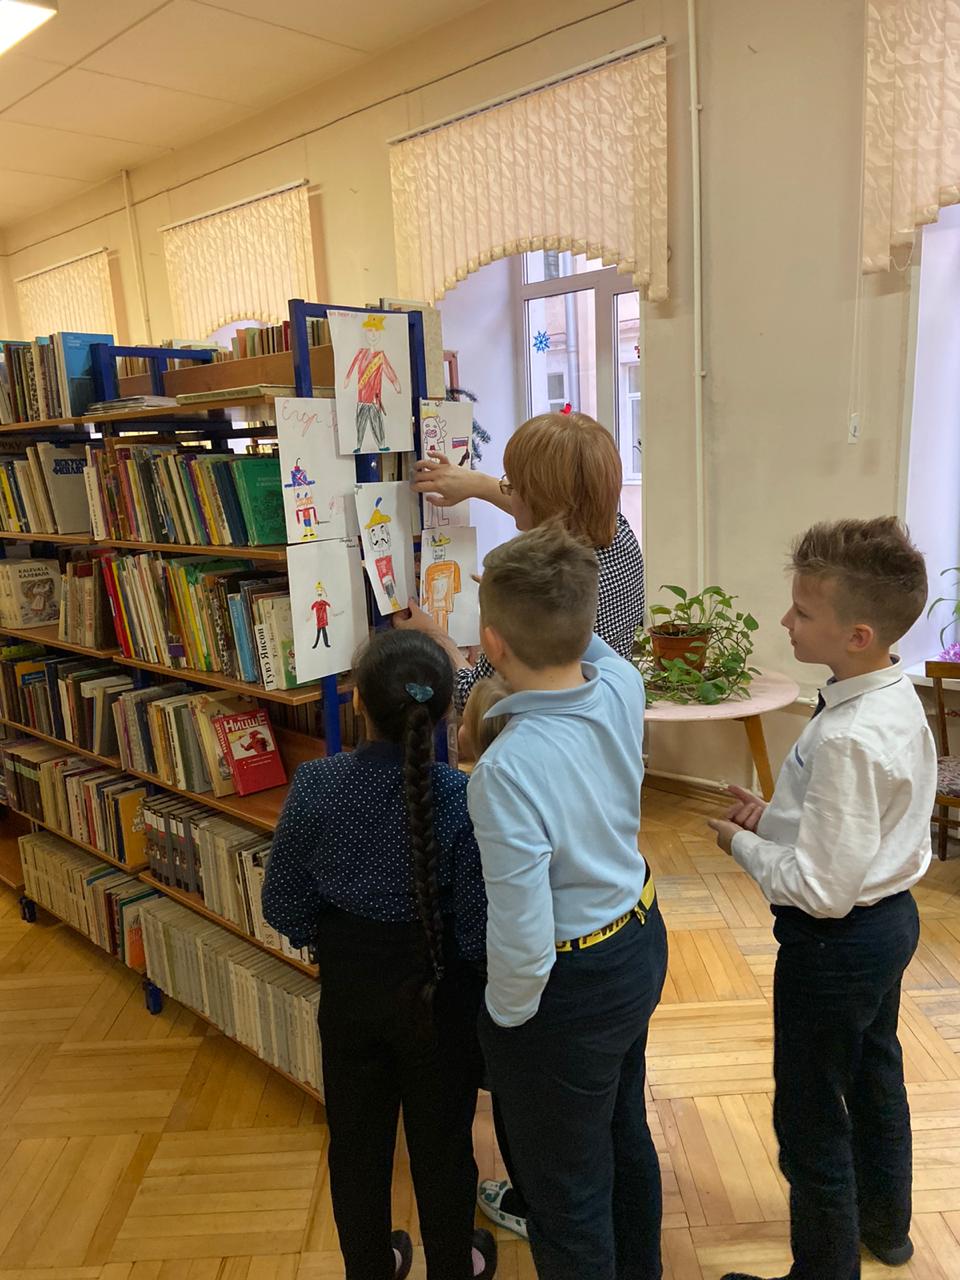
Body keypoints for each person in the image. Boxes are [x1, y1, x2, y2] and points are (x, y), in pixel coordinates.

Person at [707, 517, 935, 1280]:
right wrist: (774, 819)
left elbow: (821, 890)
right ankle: (886, 1229)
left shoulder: (846, 737)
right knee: (874, 1076)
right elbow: (858, 826)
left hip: (837, 946)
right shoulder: (891, 694)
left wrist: (742, 845)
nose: (785, 621)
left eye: (803, 612)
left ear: (858, 635)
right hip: (891, 922)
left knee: (808, 1117)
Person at [262, 630, 497, 1280]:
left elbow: (281, 904)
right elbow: (476, 932)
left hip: (351, 995)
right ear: (446, 714)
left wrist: (333, 939)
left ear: (358, 703)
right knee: (444, 1147)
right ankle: (454, 1264)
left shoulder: (315, 785)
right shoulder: (461, 798)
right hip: (439, 998)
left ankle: (369, 1266)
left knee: (356, 1148)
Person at [468, 522, 667, 1280]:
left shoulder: (506, 771)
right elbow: (591, 641)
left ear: (492, 644)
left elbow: (522, 934)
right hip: (639, 939)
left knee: (565, 1192)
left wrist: (505, 1022)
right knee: (622, 1131)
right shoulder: (621, 684)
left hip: (569, 986)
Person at [400, 411, 645, 713]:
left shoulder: (546, 588)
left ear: (535, 499)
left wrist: (435, 637)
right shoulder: (619, 534)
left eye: (512, 486)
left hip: (553, 724)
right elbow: (561, 512)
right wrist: (476, 483)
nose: (507, 491)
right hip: (610, 716)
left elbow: (472, 697)